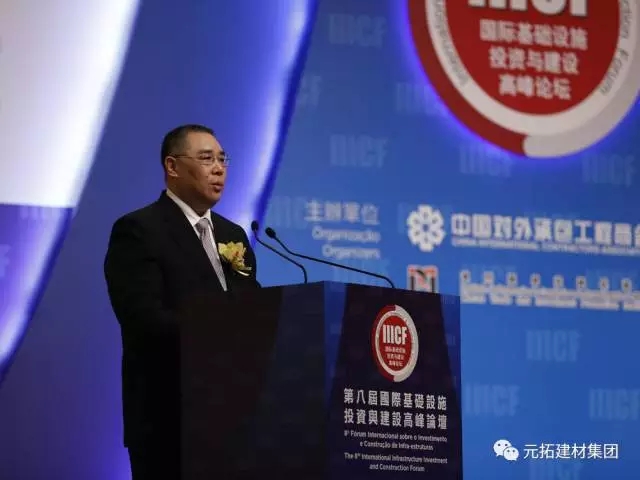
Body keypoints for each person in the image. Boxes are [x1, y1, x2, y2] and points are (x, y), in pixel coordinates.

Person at [103, 124, 260, 479]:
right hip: (169, 418)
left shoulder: (234, 234)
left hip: (235, 417)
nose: (218, 169)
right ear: (172, 166)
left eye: (222, 159)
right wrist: (222, 335)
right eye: (206, 159)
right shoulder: (138, 230)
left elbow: (252, 310)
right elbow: (144, 320)